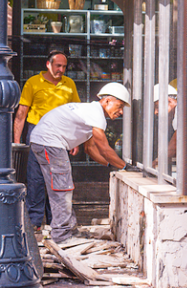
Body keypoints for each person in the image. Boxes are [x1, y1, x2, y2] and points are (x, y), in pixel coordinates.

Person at [29, 82, 130, 244]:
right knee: (62, 186)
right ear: (107, 101)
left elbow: (90, 149)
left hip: (46, 140)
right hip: (50, 142)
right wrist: (124, 166)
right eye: (119, 106)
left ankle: (68, 228)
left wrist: (109, 165)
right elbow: (104, 148)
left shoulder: (90, 114)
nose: (120, 112)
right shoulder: (96, 113)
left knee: (64, 184)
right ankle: (62, 235)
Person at [13, 50, 80, 231]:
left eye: (64, 66)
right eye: (58, 65)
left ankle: (56, 222)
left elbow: (75, 113)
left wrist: (75, 141)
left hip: (60, 134)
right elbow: (21, 114)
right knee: (35, 178)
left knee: (58, 178)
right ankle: (34, 223)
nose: (61, 69)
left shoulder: (69, 84)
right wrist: (17, 142)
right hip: (37, 133)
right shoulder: (33, 82)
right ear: (48, 64)